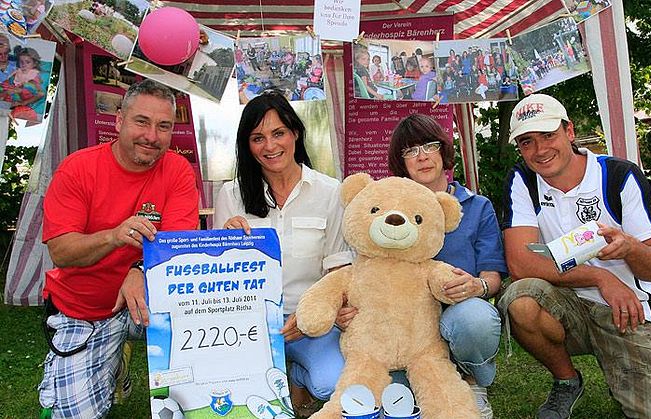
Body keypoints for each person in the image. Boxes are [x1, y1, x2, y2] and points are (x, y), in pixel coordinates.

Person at [497, 94, 651, 419]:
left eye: (548, 135)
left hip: (623, 309)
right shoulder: (523, 180)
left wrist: (630, 247)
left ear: (570, 132)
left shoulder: (619, 176)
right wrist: (599, 277)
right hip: (565, 303)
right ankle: (566, 381)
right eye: (527, 141)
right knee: (520, 300)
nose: (540, 150)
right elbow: (520, 263)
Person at [38, 79, 200, 418]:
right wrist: (113, 236)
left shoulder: (178, 170)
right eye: (142, 121)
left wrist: (139, 270)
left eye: (163, 126)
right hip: (86, 307)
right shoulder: (77, 169)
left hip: (151, 300)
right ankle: (111, 359)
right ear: (118, 121)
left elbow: (179, 245)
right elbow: (62, 252)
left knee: (211, 311)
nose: (152, 136)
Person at [337, 114, 506, 419]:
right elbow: (364, 268)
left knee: (475, 320)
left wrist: (477, 286)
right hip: (402, 327)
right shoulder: (385, 206)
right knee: (394, 396)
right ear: (401, 161)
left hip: (457, 314)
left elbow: (493, 277)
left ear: (443, 150)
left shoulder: (478, 207)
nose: (422, 157)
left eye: (429, 146)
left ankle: (472, 382)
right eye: (410, 151)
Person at [214, 91, 353, 415]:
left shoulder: (330, 191)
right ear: (247, 145)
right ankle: (283, 381)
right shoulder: (231, 195)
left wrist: (307, 320)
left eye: (278, 133)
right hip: (247, 328)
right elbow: (219, 281)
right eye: (257, 138)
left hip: (312, 324)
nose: (270, 146)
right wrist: (224, 244)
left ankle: (299, 378)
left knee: (331, 384)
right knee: (234, 397)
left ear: (295, 133)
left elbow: (339, 274)